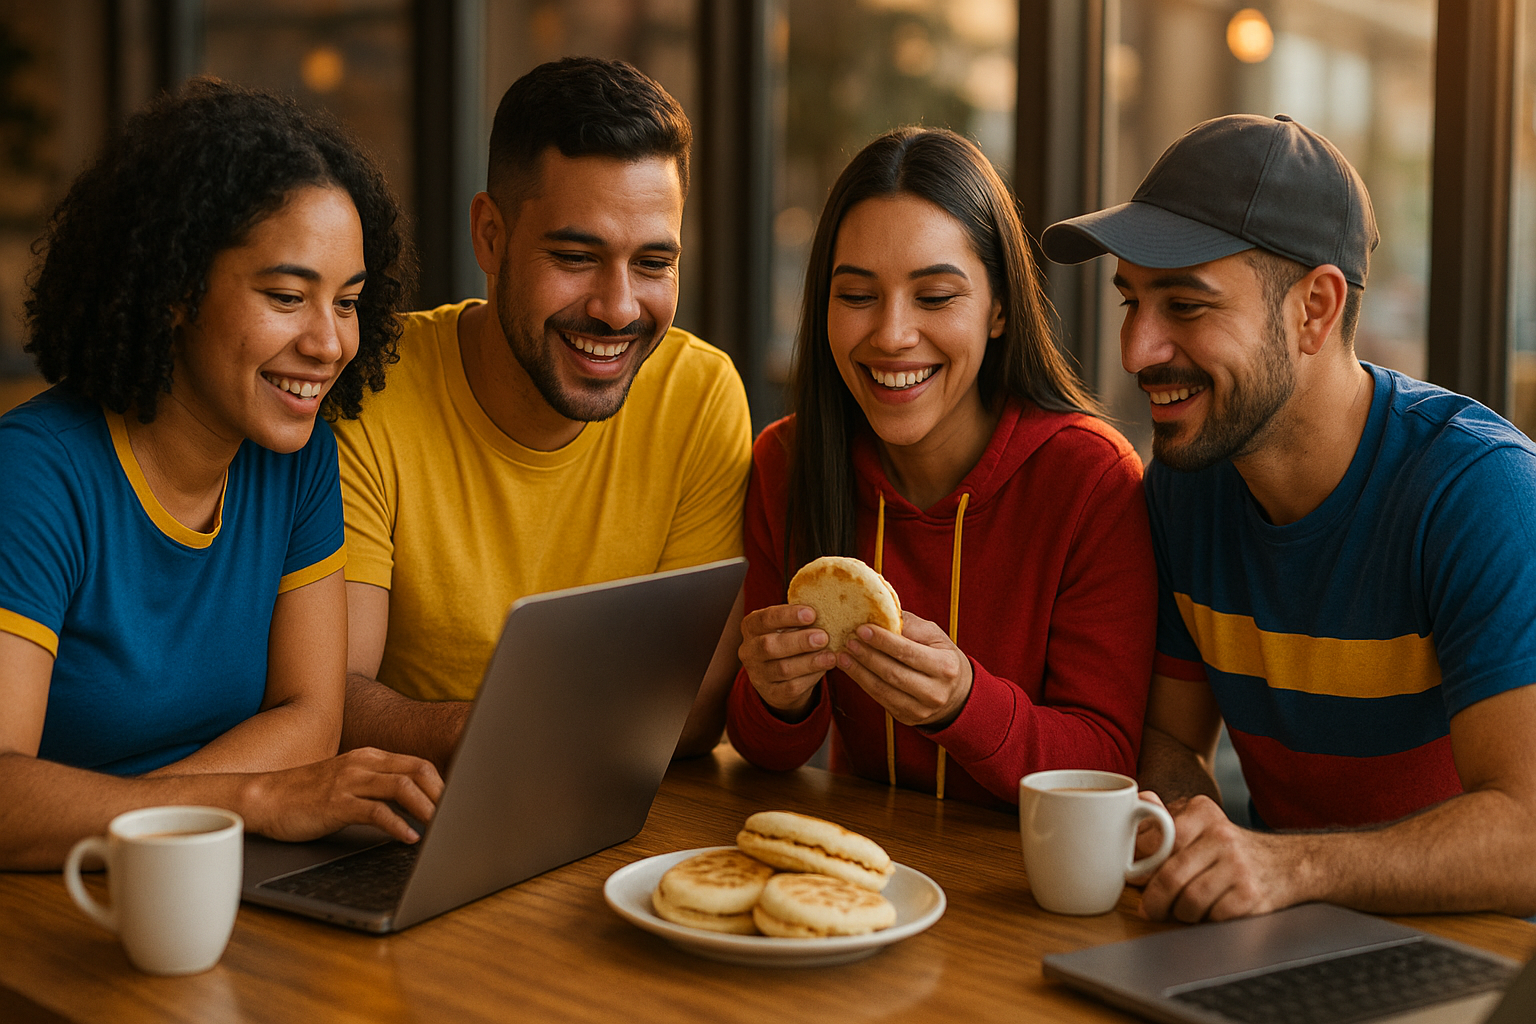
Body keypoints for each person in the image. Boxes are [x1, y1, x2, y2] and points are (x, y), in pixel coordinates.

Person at [1042, 113, 1536, 921]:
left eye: (1185, 306)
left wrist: (1291, 866)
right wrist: (1192, 839)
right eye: (1132, 301)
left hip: (1482, 959)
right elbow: (1170, 742)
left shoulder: (1482, 494)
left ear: (1314, 309)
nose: (1136, 350)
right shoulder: (1186, 483)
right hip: (1283, 935)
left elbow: (1529, 837)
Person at [0, 79, 441, 871]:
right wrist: (253, 800)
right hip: (57, 899)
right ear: (175, 288)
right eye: (287, 296)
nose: (329, 344)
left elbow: (311, 718)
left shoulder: (298, 459)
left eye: (348, 302)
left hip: (206, 872)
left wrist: (159, 825)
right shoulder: (33, 475)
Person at [334, 57, 751, 771]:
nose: (618, 308)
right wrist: (496, 734)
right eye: (576, 256)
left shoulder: (700, 395)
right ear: (490, 236)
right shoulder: (372, 384)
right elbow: (334, 697)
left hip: (624, 812)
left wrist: (514, 731)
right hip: (408, 815)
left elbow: (694, 708)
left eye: (653, 263)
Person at [725, 127, 1157, 807]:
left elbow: (1103, 762)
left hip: (1022, 869)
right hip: (864, 865)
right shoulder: (786, 462)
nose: (892, 334)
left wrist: (963, 701)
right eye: (857, 296)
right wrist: (777, 696)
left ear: (999, 309)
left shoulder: (1091, 481)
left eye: (934, 297)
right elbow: (763, 750)